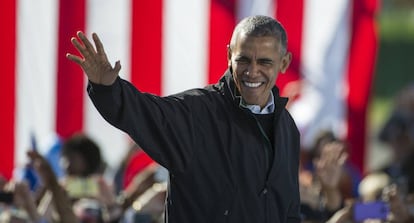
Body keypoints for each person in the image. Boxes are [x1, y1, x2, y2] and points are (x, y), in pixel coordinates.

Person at [67, 15, 300, 223]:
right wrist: (107, 88)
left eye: (265, 62)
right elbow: (142, 113)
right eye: (244, 60)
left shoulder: (287, 128)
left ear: (284, 63)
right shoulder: (195, 113)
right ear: (229, 55)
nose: (252, 71)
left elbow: (288, 209)